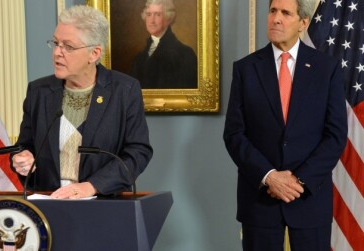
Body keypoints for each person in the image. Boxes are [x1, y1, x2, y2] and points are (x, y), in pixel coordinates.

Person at [223, 0, 348, 250]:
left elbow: (335, 136)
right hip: (260, 200)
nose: (276, 19)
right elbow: (235, 134)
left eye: (285, 13)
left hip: (309, 198)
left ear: (303, 23)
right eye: (272, 11)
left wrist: (298, 182)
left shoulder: (327, 69)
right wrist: (270, 177)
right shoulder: (245, 69)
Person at [10, 5, 153, 199]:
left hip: (103, 204)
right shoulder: (39, 91)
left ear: (94, 53)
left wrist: (93, 185)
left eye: (68, 46)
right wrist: (22, 159)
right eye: (55, 43)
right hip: (48, 203)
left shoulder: (123, 91)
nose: (57, 53)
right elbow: (24, 146)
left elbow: (138, 152)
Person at [130, 0, 197, 89]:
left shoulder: (185, 54)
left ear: (168, 18)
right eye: (149, 14)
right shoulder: (139, 58)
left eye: (157, 14)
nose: (152, 21)